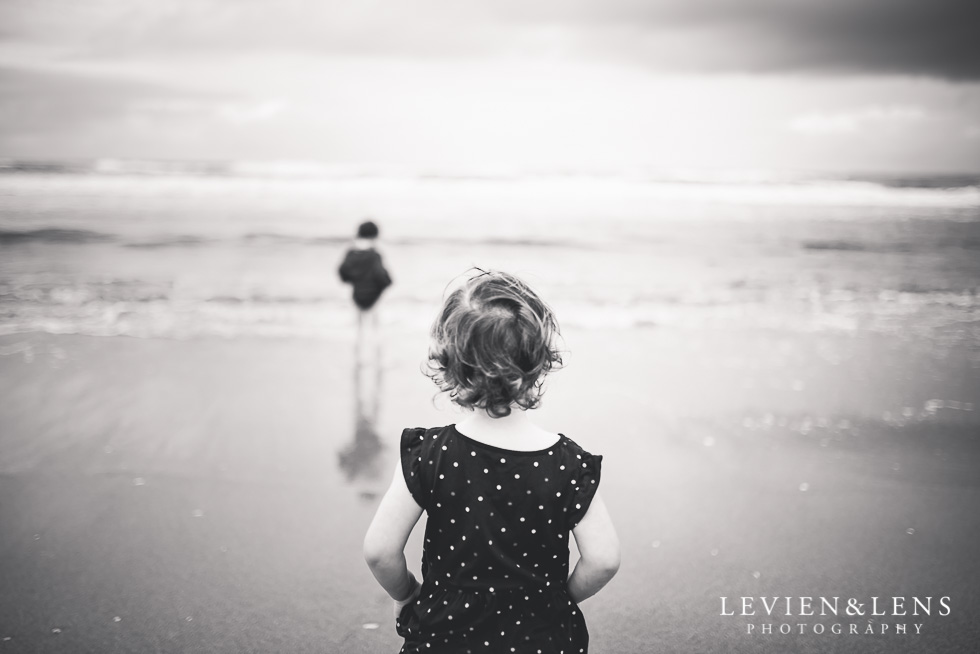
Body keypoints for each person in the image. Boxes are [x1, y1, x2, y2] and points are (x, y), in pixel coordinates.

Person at [364, 270, 620, 654]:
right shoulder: (568, 465)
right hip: (543, 638)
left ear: (449, 362)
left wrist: (409, 593)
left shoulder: (430, 453)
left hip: (442, 635)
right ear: (539, 360)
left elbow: (380, 551)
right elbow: (603, 560)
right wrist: (558, 601)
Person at [338, 220, 392, 313]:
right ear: (374, 236)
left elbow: (343, 271)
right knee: (373, 320)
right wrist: (388, 282)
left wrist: (351, 280)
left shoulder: (351, 253)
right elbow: (380, 275)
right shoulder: (374, 255)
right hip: (373, 294)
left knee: (359, 320)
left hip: (357, 294)